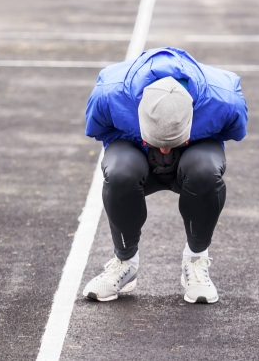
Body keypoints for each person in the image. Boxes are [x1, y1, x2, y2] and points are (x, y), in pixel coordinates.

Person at [81, 47, 248, 303]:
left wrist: (188, 144)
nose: (165, 150)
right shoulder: (109, 93)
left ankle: (195, 260)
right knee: (119, 171)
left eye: (170, 141)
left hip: (193, 148)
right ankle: (125, 261)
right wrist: (142, 144)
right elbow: (99, 130)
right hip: (135, 147)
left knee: (205, 169)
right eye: (159, 141)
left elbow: (234, 132)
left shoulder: (224, 99)